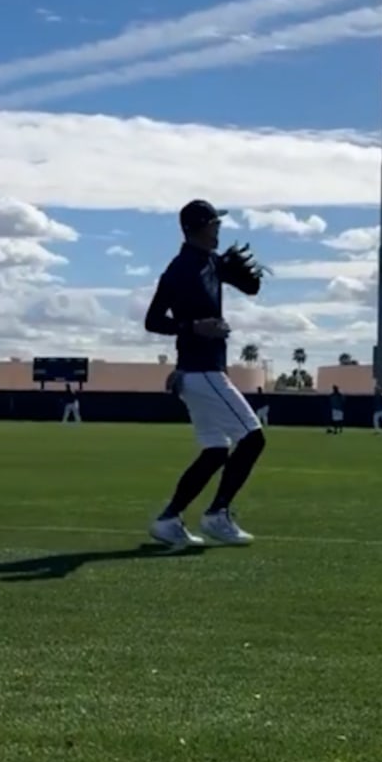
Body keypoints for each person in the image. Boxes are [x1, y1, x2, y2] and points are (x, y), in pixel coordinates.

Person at [142, 200, 267, 547]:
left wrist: (244, 277)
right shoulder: (180, 269)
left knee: (215, 451)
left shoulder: (210, 261)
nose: (219, 229)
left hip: (199, 372)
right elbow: (153, 320)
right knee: (253, 438)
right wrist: (193, 327)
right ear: (197, 228)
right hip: (202, 371)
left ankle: (168, 521)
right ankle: (217, 515)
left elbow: (252, 289)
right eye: (214, 223)